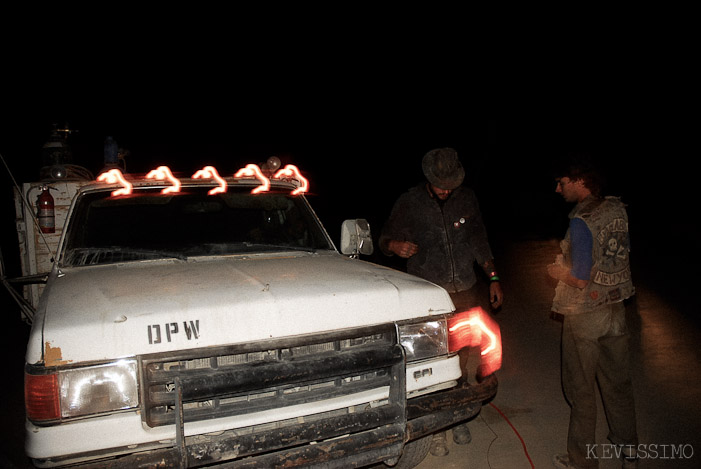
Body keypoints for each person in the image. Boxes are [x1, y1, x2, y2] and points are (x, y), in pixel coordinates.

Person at [379, 147, 503, 457]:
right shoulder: (410, 202)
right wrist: (395, 245)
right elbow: (384, 241)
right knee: (431, 362)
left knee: (460, 358)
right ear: (428, 179)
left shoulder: (467, 199)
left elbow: (479, 239)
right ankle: (434, 428)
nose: (446, 189)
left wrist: (493, 277)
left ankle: (456, 417)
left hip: (465, 290)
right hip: (429, 296)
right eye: (440, 184)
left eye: (451, 183)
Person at [547, 154, 638, 469]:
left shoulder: (581, 219)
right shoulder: (616, 209)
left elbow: (581, 278)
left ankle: (582, 461)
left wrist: (557, 272)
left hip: (586, 314)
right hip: (616, 308)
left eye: (562, 182)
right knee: (618, 384)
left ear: (579, 180)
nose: (558, 189)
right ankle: (630, 454)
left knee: (581, 389)